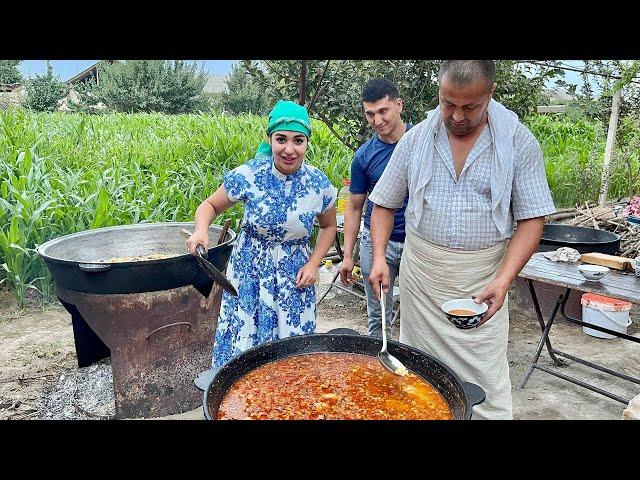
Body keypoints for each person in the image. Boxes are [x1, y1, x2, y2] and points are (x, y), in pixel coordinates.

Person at [367, 60, 556, 420]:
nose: (456, 116)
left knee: (485, 387)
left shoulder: (517, 141)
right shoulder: (417, 138)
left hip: (483, 282)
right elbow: (383, 205)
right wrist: (378, 256)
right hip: (422, 279)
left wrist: (503, 281)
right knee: (416, 379)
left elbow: (533, 219)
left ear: (490, 94)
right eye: (448, 103)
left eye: (470, 106)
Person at [188, 100, 338, 388]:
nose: (289, 149)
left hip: (295, 278)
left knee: (292, 351)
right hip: (250, 272)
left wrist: (313, 263)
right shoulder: (249, 175)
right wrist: (201, 231)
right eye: (281, 139)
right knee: (244, 344)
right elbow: (209, 206)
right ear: (270, 139)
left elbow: (329, 226)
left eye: (298, 140)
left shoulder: (319, 183)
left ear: (307, 142)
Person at [338, 78, 411, 338]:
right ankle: (380, 369)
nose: (377, 121)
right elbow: (355, 207)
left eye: (383, 111)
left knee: (419, 315)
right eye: (370, 114)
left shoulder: (421, 143)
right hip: (375, 241)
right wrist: (347, 255)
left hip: (417, 242)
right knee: (378, 317)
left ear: (398, 105)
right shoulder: (364, 156)